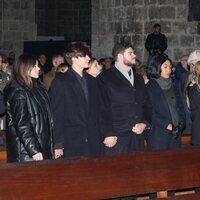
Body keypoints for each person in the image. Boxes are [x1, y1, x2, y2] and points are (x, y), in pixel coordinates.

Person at [50, 42, 102, 159]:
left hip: (93, 139)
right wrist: (58, 144)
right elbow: (57, 114)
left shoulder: (92, 81)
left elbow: (97, 110)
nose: (88, 58)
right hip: (72, 141)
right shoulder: (60, 81)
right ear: (73, 58)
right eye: (84, 56)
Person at [97, 42, 150, 155]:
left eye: (134, 53)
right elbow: (102, 107)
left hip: (137, 136)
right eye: (130, 53)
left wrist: (144, 123)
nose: (134, 55)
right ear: (120, 56)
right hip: (116, 137)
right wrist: (108, 133)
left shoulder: (139, 79)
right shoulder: (105, 77)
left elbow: (146, 104)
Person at [4, 54, 54, 162]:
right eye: (35, 66)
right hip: (26, 153)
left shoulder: (39, 88)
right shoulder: (18, 91)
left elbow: (47, 120)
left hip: (43, 146)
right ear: (25, 68)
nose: (38, 68)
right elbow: (22, 124)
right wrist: (34, 150)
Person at [146, 54, 186, 151]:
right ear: (156, 68)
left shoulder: (174, 85)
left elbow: (180, 106)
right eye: (165, 67)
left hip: (175, 133)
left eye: (170, 67)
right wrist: (167, 125)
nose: (169, 70)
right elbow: (149, 112)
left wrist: (181, 123)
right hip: (159, 134)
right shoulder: (150, 87)